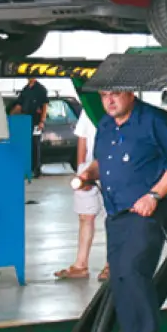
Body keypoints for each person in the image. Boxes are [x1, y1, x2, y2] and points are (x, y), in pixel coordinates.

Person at [78, 90, 167, 332]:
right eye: (104, 96)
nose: (109, 101)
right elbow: (103, 160)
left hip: (147, 212)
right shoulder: (105, 125)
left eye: (115, 94)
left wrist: (154, 196)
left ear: (130, 93)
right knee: (118, 277)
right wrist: (89, 174)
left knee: (132, 271)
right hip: (116, 212)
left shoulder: (156, 120)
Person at [54, 108, 110, 281]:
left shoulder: (123, 108)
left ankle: (111, 265)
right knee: (85, 216)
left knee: (113, 219)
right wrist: (81, 168)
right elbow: (82, 138)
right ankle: (80, 265)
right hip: (88, 169)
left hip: (113, 168)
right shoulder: (89, 109)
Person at [9, 78, 49, 177]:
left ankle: (36, 169)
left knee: (35, 145)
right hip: (25, 121)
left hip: (36, 121)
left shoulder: (41, 89)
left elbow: (45, 105)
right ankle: (27, 168)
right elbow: (19, 105)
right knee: (27, 145)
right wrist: (10, 115)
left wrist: (42, 121)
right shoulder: (25, 89)